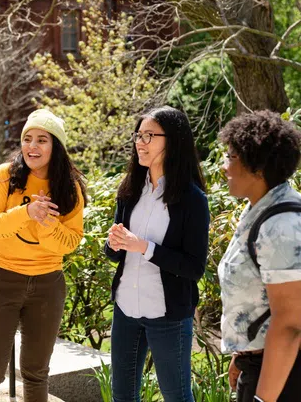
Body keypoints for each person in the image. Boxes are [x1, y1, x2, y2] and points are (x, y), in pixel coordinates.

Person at [218, 111, 301, 401]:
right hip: (277, 367)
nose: (224, 167)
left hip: (299, 377)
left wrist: (263, 398)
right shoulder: (265, 209)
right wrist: (246, 352)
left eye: (230, 157)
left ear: (257, 167)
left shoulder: (283, 229)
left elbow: (289, 324)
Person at [0, 109, 86, 402]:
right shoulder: (5, 176)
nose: (32, 146)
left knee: (36, 373)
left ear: (55, 146)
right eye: (27, 139)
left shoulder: (69, 188)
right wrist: (26, 212)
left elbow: (70, 242)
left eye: (41, 140)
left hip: (47, 285)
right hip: (0, 281)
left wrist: (47, 224)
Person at [104, 106, 209, 402]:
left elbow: (194, 267)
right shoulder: (131, 189)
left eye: (149, 135)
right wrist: (113, 244)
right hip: (126, 309)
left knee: (177, 397)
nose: (140, 142)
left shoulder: (192, 200)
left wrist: (144, 247)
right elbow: (116, 253)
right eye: (138, 135)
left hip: (168, 315)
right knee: (122, 396)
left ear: (172, 141)